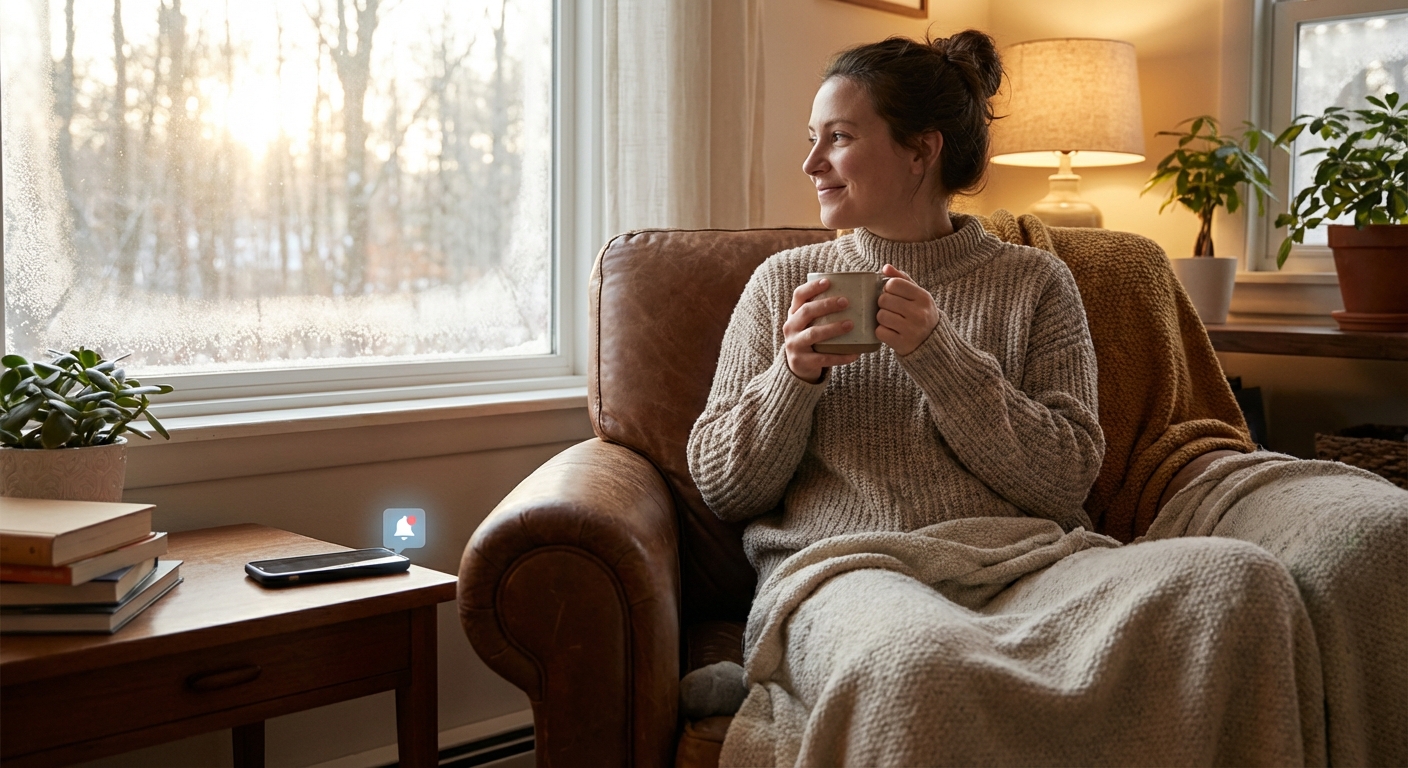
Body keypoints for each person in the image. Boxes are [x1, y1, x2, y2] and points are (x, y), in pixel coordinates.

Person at [686, 32, 1327, 766]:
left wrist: (943, 356)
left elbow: (1063, 479)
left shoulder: (1035, 282)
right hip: (852, 569)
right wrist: (791, 378)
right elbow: (724, 485)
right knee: (916, 662)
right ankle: (790, 669)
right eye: (812, 139)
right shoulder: (783, 284)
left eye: (838, 138)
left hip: (1024, 564)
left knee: (1240, 583)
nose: (810, 163)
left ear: (921, 150)